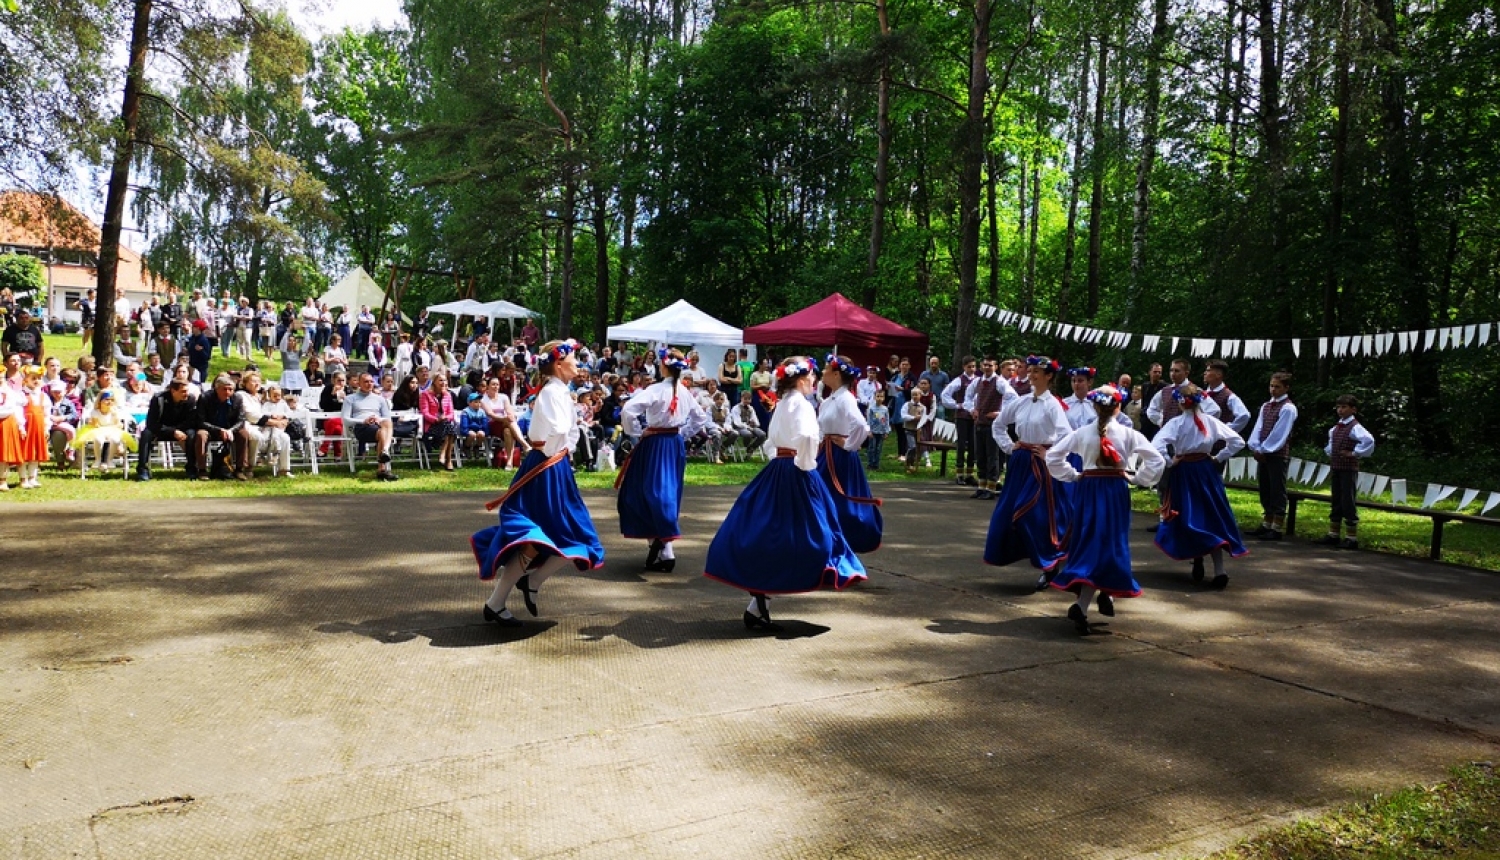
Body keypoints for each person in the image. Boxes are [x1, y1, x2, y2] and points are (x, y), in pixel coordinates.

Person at [704, 357, 867, 632]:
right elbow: (806, 437)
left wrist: (780, 458)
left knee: (769, 529)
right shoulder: (801, 404)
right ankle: (779, 588)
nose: (815, 381)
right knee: (814, 532)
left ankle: (760, 598)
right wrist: (806, 465)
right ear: (802, 380)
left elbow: (770, 440)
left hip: (778, 468)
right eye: (812, 377)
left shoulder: (782, 404)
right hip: (796, 471)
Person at [472, 339, 605, 627]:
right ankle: (503, 598)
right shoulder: (552, 393)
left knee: (572, 536)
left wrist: (561, 449)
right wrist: (556, 447)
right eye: (573, 360)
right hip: (547, 468)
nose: (578, 364)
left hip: (555, 467)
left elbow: (562, 434)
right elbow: (555, 432)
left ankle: (525, 585)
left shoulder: (559, 392)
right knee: (542, 537)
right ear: (559, 364)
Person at [1044, 386, 1165, 634]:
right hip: (1115, 491)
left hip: (1088, 490)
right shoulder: (1129, 433)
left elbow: (1053, 456)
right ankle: (1089, 600)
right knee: (1111, 543)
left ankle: (1100, 596)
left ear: (1094, 407)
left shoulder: (1081, 433)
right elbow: (1157, 460)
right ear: (1118, 407)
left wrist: (1074, 475)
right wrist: (1138, 478)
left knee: (1090, 540)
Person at [616, 347, 709, 571]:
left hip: (655, 443)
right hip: (673, 444)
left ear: (663, 366)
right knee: (666, 490)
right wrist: (682, 433)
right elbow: (700, 417)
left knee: (647, 491)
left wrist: (638, 431)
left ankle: (664, 545)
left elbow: (628, 409)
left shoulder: (656, 389)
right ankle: (662, 546)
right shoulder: (684, 391)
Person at [983, 356, 1072, 589]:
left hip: (1041, 466)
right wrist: (1009, 445)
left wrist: (1050, 454)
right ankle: (1039, 561)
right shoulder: (1021, 401)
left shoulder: (1053, 404)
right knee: (1008, 513)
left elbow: (1066, 435)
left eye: (1037, 372)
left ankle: (1049, 565)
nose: (1032, 375)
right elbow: (998, 424)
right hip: (1021, 461)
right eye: (1030, 370)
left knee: (1031, 514)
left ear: (1049, 376)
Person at [1152, 384, 1248, 587]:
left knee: (1190, 515)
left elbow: (1156, 445)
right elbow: (1237, 441)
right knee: (1211, 515)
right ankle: (1218, 569)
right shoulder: (1211, 421)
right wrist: (1218, 457)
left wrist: (1170, 461)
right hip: (1206, 472)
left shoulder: (1176, 423)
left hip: (1185, 472)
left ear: (1180, 402)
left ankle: (1198, 559)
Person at [816, 354, 882, 554]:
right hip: (825, 454)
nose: (823, 372)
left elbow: (861, 425)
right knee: (821, 498)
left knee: (838, 501)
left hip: (838, 457)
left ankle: (840, 544)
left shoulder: (845, 398)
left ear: (836, 374)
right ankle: (826, 543)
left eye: (826, 368)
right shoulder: (830, 400)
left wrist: (847, 444)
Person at [1319, 394, 1376, 549]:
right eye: (1338, 407)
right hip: (1336, 467)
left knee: (1347, 500)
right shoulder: (1336, 428)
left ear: (1353, 409)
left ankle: (1351, 537)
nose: (1340, 410)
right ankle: (1334, 533)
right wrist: (1332, 452)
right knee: (1336, 498)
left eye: (1344, 407)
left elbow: (1368, 441)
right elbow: (1331, 445)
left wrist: (1354, 453)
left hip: (1348, 469)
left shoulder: (1355, 427)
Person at [1246, 372, 1297, 541]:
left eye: (1277, 387)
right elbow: (1258, 428)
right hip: (1263, 452)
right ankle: (1267, 522)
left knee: (1277, 489)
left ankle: (1277, 526)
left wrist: (1265, 449)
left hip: (1276, 454)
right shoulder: (1266, 406)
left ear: (1286, 388)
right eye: (1271, 386)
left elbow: (1279, 434)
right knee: (1265, 488)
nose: (1273, 390)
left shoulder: (1288, 408)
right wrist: (1255, 446)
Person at [963, 356, 1015, 500]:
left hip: (993, 424)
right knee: (980, 455)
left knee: (993, 456)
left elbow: (1013, 398)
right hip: (979, 423)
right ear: (981, 366)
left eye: (990, 365)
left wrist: (1000, 413)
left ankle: (991, 488)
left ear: (995, 367)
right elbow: (967, 398)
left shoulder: (1000, 382)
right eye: (985, 365)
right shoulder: (977, 381)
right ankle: (981, 486)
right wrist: (971, 409)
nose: (987, 368)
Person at [343, 372, 400, 481]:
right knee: (383, 431)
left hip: (378, 425)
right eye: (366, 382)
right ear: (359, 383)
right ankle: (383, 461)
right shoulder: (350, 399)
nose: (369, 384)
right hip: (361, 427)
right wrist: (363, 421)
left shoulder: (380, 399)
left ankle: (383, 462)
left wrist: (379, 419)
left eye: (371, 381)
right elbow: (345, 420)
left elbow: (387, 417)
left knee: (387, 423)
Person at [74, 390, 136, 473]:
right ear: (100, 401)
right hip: (97, 429)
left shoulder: (115, 412)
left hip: (113, 430)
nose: (109, 402)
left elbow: (118, 424)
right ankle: (98, 459)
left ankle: (109, 459)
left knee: (115, 439)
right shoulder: (95, 412)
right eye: (107, 399)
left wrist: (113, 418)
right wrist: (104, 431)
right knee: (99, 439)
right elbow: (96, 425)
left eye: (111, 400)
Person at [940, 356, 979, 487]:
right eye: (969, 367)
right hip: (962, 416)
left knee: (973, 445)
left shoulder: (978, 381)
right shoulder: (959, 380)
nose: (972, 369)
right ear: (964, 367)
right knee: (961, 444)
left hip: (974, 416)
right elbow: (945, 395)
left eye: (973, 366)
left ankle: (970, 473)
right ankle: (959, 473)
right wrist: (957, 405)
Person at [13, 366, 48, 489]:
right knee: (23, 453)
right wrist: (21, 426)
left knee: (35, 454)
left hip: (38, 427)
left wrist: (46, 427)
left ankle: (33, 478)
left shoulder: (42, 395)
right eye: (33, 378)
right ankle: (23, 479)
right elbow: (17, 411)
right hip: (27, 427)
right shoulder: (21, 395)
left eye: (39, 378)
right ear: (25, 380)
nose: (36, 381)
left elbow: (46, 413)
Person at [420, 372, 460, 471]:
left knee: (449, 426)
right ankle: (448, 460)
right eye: (440, 380)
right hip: (431, 425)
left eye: (445, 380)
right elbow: (424, 412)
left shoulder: (448, 395)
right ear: (434, 382)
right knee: (450, 428)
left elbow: (451, 413)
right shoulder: (425, 395)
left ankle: (445, 456)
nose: (443, 382)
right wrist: (436, 419)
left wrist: (445, 417)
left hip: (446, 423)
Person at [902, 377, 936, 473]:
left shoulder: (923, 407)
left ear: (920, 396)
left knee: (919, 446)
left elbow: (926, 415)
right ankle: (909, 463)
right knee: (912, 446)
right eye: (913, 395)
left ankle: (915, 463)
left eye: (916, 395)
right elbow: (903, 416)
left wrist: (924, 421)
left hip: (919, 429)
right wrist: (913, 418)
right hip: (909, 428)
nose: (915, 397)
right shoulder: (907, 405)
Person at [865, 388, 890, 470]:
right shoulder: (871, 408)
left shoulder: (885, 409)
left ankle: (876, 464)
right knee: (872, 448)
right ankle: (870, 464)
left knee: (878, 448)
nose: (879, 398)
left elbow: (886, 421)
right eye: (878, 396)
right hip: (873, 431)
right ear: (874, 397)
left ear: (884, 398)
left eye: (881, 396)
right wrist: (869, 431)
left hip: (881, 431)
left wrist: (886, 431)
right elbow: (868, 420)